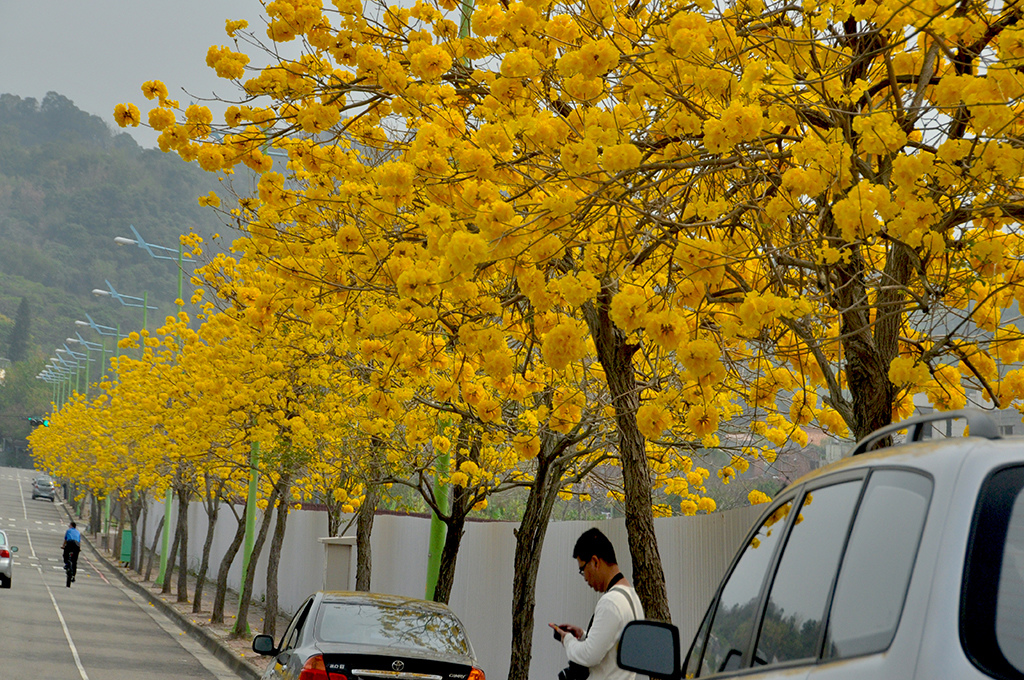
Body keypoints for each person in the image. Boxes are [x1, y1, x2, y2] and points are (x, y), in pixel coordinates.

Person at [549, 528, 644, 680]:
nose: (585, 578)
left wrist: (567, 639)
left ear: (594, 562)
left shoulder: (611, 602)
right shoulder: (632, 598)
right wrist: (584, 635)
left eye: (582, 569)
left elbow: (588, 656)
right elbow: (615, 649)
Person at [62, 521, 81, 586]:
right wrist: (79, 548)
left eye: (69, 525)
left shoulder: (68, 531)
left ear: (71, 526)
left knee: (65, 554)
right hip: (76, 545)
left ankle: (67, 564)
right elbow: (79, 541)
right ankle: (73, 575)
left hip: (70, 543)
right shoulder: (78, 532)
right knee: (74, 561)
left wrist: (63, 546)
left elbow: (66, 540)